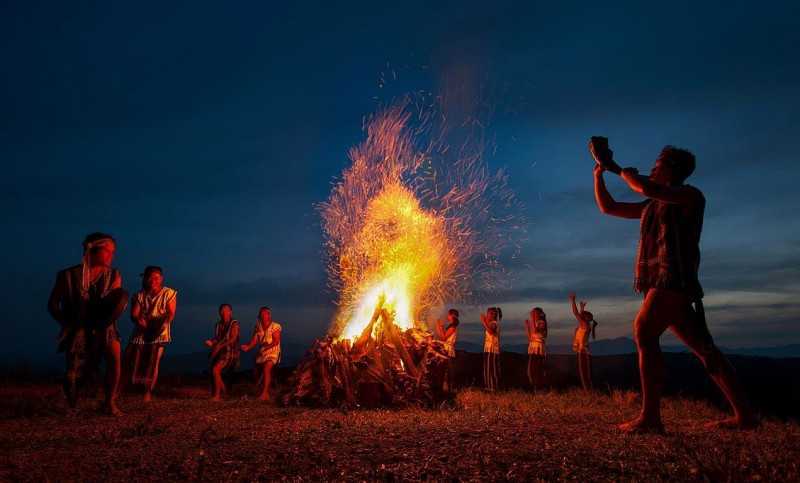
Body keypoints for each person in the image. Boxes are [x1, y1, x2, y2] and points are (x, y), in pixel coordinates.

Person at [591, 140, 759, 432]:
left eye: (658, 164)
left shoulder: (690, 196)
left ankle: (651, 418)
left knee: (644, 330)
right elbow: (610, 208)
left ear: (671, 169)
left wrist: (622, 171)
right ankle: (745, 417)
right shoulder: (652, 206)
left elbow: (650, 188)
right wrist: (599, 175)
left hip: (673, 277)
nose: (652, 168)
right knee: (705, 349)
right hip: (659, 280)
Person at [47, 232, 129, 415]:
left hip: (105, 326)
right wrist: (65, 322)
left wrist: (100, 322)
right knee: (74, 369)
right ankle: (73, 405)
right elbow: (53, 302)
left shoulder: (114, 275)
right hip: (78, 326)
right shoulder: (67, 275)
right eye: (107, 251)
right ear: (93, 250)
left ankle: (109, 403)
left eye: (113, 252)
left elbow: (113, 303)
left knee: (115, 362)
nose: (112, 256)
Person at [118, 266, 177, 402]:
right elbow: (134, 314)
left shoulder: (169, 293)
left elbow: (171, 313)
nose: (153, 280)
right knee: (126, 360)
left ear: (161, 279)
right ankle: (118, 389)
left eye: (156, 278)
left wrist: (157, 323)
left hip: (158, 332)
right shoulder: (139, 295)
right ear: (145, 278)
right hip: (139, 332)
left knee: (153, 361)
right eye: (150, 277)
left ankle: (147, 393)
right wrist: (139, 320)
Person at [241, 307, 282, 401]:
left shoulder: (275, 326)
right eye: (261, 314)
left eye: (265, 314)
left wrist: (265, 347)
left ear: (269, 315)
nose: (263, 316)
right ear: (259, 316)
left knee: (266, 368)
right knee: (256, 373)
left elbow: (276, 341)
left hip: (273, 352)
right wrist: (247, 347)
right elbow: (254, 340)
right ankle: (265, 393)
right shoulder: (258, 327)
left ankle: (264, 394)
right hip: (262, 352)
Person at [205, 304, 240, 401]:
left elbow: (233, 338)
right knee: (214, 370)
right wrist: (211, 342)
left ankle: (216, 395)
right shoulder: (218, 325)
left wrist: (220, 345)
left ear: (230, 312)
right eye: (222, 310)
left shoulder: (234, 323)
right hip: (221, 351)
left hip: (231, 350)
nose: (224, 312)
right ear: (219, 312)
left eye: (226, 310)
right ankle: (225, 394)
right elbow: (217, 338)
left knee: (215, 370)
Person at [569, 292, 596, 391]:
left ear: (584, 319)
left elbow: (576, 313)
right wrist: (582, 309)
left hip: (582, 350)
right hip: (582, 349)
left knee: (583, 371)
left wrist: (573, 301)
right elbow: (579, 316)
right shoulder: (585, 325)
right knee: (584, 371)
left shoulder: (584, 325)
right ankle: (588, 390)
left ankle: (588, 391)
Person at [435, 308, 459, 391]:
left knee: (445, 370)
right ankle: (445, 388)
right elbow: (443, 338)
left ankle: (447, 388)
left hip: (448, 349)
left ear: (451, 315)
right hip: (446, 348)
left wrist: (440, 327)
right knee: (444, 370)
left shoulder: (453, 327)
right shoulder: (452, 326)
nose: (446, 315)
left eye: (447, 314)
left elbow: (443, 338)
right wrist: (438, 327)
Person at [525, 307, 548, 391]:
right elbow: (531, 336)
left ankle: (540, 388)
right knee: (531, 370)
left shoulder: (542, 323)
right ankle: (536, 388)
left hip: (539, 350)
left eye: (534, 313)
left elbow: (534, 331)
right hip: (533, 350)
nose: (533, 315)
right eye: (532, 313)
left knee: (538, 370)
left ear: (539, 314)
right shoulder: (536, 324)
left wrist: (532, 319)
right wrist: (527, 326)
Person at [480, 307, 502, 392]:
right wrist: (485, 322)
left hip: (493, 350)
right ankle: (488, 387)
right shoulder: (491, 323)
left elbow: (491, 332)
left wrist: (484, 322)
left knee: (492, 369)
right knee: (487, 368)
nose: (486, 315)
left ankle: (493, 388)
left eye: (487, 313)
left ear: (492, 314)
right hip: (488, 349)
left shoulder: (494, 324)